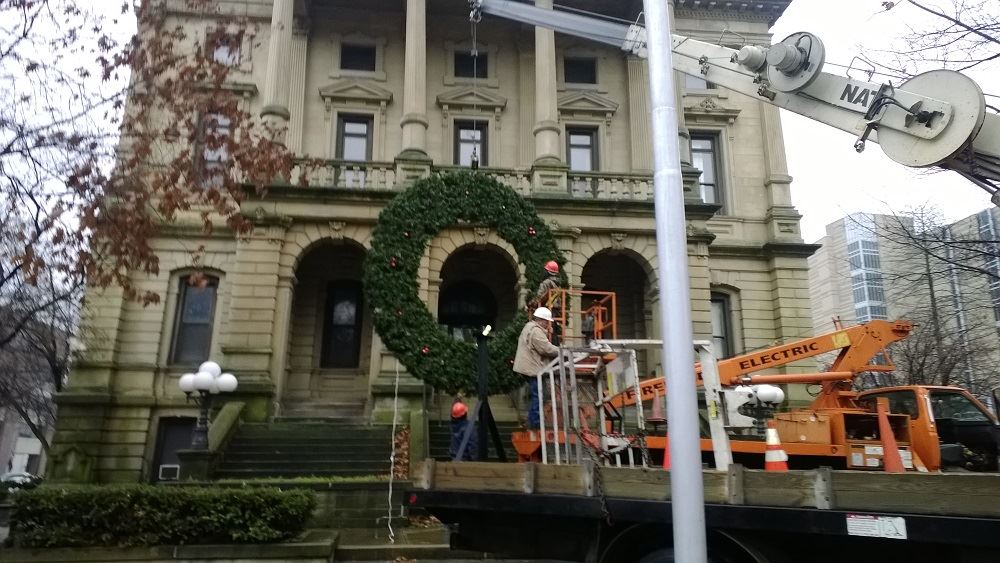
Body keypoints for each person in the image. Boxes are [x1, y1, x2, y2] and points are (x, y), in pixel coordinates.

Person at [513, 307, 561, 429]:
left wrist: (546, 332)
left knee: (537, 395)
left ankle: (533, 420)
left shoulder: (530, 327)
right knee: (538, 395)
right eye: (546, 321)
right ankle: (535, 423)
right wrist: (562, 351)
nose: (547, 323)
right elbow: (546, 348)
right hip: (532, 369)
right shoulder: (536, 331)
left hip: (528, 367)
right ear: (541, 320)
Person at [532, 261, 564, 344]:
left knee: (548, 329)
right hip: (555, 310)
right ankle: (556, 345)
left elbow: (539, 296)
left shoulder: (546, 283)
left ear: (547, 271)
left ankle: (552, 345)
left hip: (547, 309)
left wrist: (533, 303)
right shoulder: (558, 284)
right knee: (554, 329)